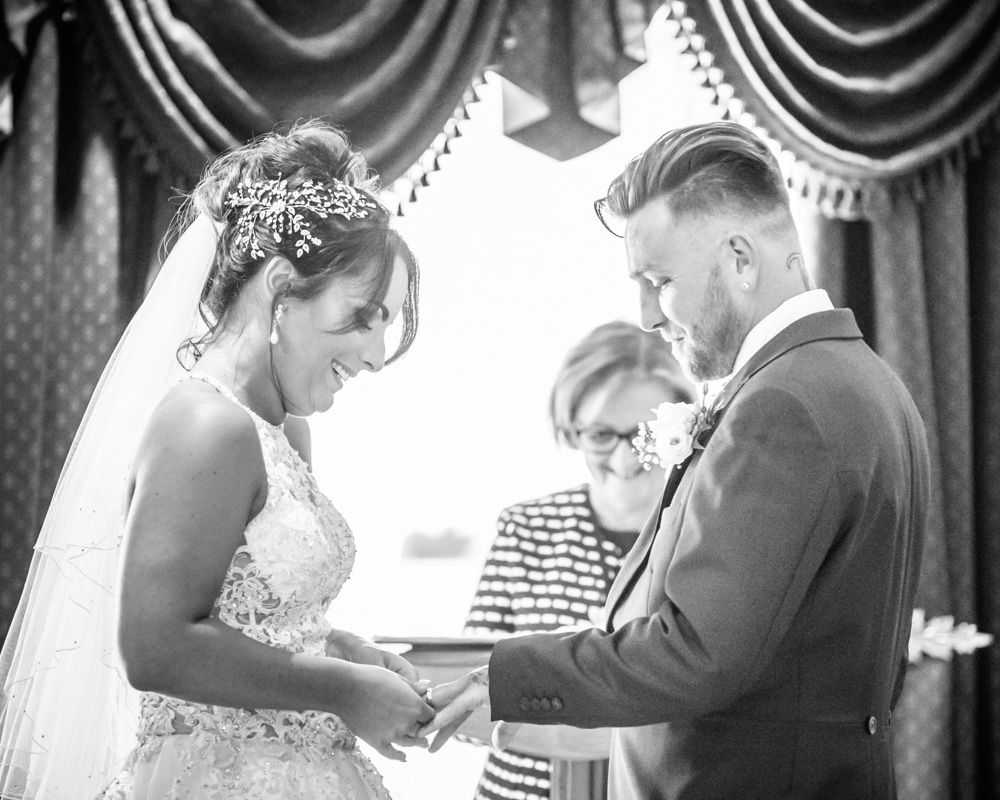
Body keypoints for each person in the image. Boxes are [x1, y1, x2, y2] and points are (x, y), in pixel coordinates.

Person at [422, 121, 930, 800]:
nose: (645, 316)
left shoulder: (785, 405)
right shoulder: (861, 378)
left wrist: (511, 678)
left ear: (741, 260)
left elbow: (699, 651)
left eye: (659, 281)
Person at [0, 121, 430, 798]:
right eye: (364, 316)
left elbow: (249, 618)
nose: (376, 355)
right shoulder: (206, 425)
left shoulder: (280, 428)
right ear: (283, 288)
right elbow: (156, 644)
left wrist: (339, 649)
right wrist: (341, 687)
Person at [464, 320, 694, 800]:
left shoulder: (701, 532)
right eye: (600, 435)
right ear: (571, 430)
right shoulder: (526, 527)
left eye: (644, 434)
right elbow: (470, 688)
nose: (626, 458)